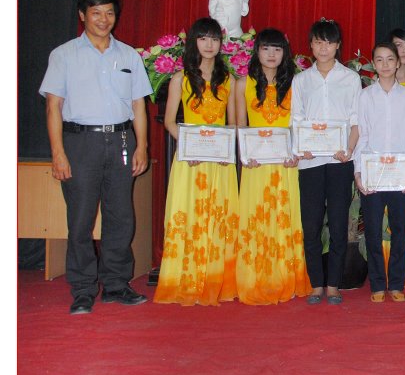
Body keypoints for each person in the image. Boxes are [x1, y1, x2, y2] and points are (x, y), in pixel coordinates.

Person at [39, 0, 151, 315]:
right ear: (82, 16)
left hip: (121, 141)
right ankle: (83, 288)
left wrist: (142, 146)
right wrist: (58, 152)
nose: (104, 19)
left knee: (121, 216)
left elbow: (139, 105)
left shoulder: (129, 56)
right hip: (80, 142)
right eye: (96, 13)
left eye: (109, 13)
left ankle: (116, 284)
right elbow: (53, 107)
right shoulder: (64, 55)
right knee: (81, 219)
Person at [154, 17, 240, 306]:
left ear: (221, 44)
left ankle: (217, 281)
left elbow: (232, 124)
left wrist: (226, 149)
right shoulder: (180, 79)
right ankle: (186, 280)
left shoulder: (228, 80)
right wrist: (190, 147)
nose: (209, 44)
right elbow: (169, 122)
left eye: (214, 39)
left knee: (219, 219)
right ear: (194, 42)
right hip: (190, 162)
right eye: (203, 38)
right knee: (189, 216)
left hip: (220, 163)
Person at [234, 28, 309, 304]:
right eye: (266, 48)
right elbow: (240, 125)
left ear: (284, 53)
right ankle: (255, 277)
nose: (271, 54)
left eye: (277, 49)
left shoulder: (296, 84)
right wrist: (245, 155)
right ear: (257, 51)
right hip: (256, 166)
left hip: (285, 164)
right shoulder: (243, 84)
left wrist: (296, 151)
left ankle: (285, 277)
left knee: (285, 217)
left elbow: (299, 124)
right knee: (255, 217)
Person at [291, 19, 361, 305]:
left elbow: (356, 121)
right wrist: (301, 147)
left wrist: (349, 149)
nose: (323, 48)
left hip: (339, 161)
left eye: (329, 43)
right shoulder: (301, 80)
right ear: (311, 45)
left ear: (337, 46)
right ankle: (316, 284)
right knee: (311, 225)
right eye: (318, 42)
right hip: (310, 163)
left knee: (338, 223)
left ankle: (333, 284)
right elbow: (296, 120)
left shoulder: (350, 79)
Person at [354, 41, 405, 302]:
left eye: (390, 59)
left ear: (398, 63)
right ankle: (377, 285)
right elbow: (362, 136)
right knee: (372, 231)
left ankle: (396, 284)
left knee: (398, 230)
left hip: (400, 174)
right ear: (373, 64)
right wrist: (359, 172)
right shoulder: (365, 96)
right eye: (379, 60)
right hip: (373, 173)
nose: (385, 65)